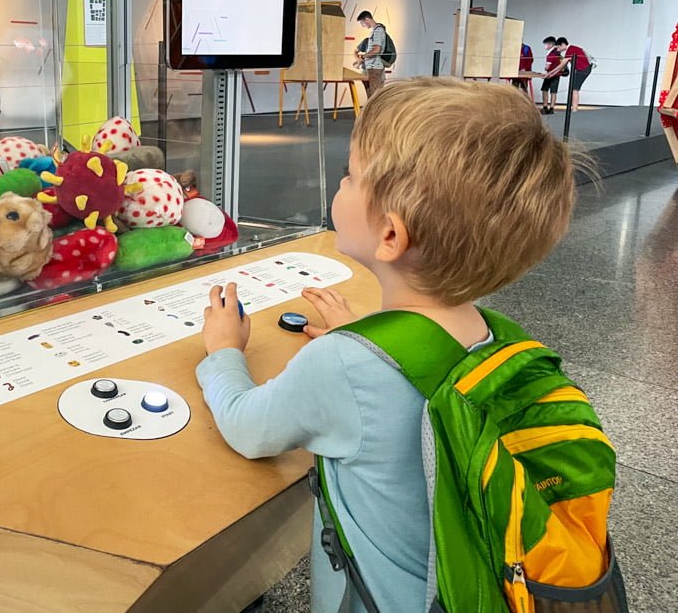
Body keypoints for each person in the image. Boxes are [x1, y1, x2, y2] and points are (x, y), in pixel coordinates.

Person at [195, 78, 577, 613]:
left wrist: (224, 352)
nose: (342, 184)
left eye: (351, 176)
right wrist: (370, 336)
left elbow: (249, 428)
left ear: (391, 237)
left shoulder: (342, 366)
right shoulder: (494, 336)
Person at [546, 36, 592, 112]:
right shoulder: (572, 48)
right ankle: (573, 108)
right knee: (574, 89)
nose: (557, 50)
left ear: (563, 44)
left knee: (575, 89)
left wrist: (550, 74)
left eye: (558, 47)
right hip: (583, 69)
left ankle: (574, 109)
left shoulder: (570, 50)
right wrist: (551, 74)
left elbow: (561, 65)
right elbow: (561, 66)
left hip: (583, 70)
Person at [354, 10, 386, 97]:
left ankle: (376, 111)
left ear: (367, 19)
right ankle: (371, 110)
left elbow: (376, 50)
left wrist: (363, 57)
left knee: (375, 96)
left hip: (374, 68)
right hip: (371, 67)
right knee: (371, 95)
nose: (362, 25)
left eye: (362, 23)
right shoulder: (375, 31)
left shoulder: (378, 31)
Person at [539, 35, 564, 115]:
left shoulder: (550, 55)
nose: (545, 46)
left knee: (544, 90)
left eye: (546, 44)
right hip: (557, 75)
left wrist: (546, 69)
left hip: (550, 74)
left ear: (550, 45)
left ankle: (545, 107)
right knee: (554, 91)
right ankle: (552, 108)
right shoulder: (557, 52)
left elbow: (547, 67)